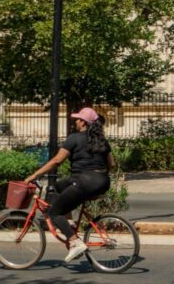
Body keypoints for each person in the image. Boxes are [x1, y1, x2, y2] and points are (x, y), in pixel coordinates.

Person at [24, 107, 114, 264]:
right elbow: (111, 165)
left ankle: (74, 242)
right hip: (103, 181)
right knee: (57, 187)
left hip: (83, 181)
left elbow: (57, 160)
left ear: (83, 122)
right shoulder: (102, 140)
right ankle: (70, 222)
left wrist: (34, 175)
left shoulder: (74, 138)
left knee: (53, 212)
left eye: (78, 119)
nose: (75, 121)